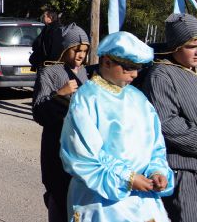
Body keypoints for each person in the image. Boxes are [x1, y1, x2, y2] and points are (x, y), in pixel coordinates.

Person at [60, 31, 174, 221]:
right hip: (102, 201)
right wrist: (128, 178)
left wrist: (157, 171)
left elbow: (155, 145)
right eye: (129, 67)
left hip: (143, 200)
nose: (135, 74)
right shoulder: (87, 98)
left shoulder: (139, 98)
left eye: (138, 67)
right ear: (107, 62)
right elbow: (83, 155)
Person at [140, 13, 197, 221]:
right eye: (191, 46)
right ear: (176, 46)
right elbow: (167, 123)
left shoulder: (191, 70)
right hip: (181, 170)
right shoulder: (161, 75)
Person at [31, 23, 89, 222]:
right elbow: (39, 112)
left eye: (84, 50)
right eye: (76, 50)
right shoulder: (48, 73)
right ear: (65, 48)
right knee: (59, 197)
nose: (81, 55)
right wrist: (60, 94)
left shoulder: (85, 73)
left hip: (80, 148)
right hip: (56, 145)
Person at [29, 6, 61, 70]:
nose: (43, 18)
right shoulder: (54, 28)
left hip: (46, 64)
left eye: (45, 16)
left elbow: (39, 43)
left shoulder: (50, 30)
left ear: (50, 18)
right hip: (52, 64)